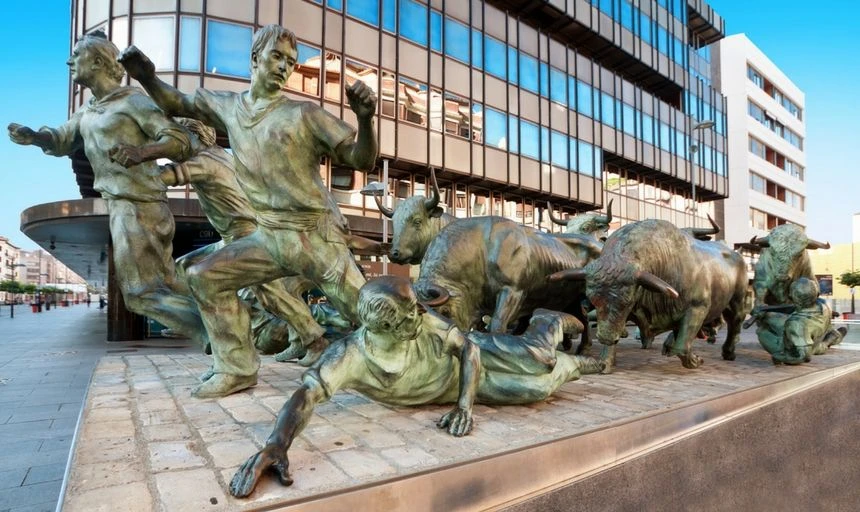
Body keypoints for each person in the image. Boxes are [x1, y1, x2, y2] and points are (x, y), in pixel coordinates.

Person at [119, 25, 378, 398]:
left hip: (315, 237)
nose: (284, 68)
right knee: (204, 276)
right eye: (277, 57)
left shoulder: (304, 114)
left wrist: (366, 120)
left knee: (374, 312)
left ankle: (437, 360)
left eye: (290, 63)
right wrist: (147, 77)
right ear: (255, 59)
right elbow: (176, 103)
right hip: (269, 236)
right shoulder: (228, 106)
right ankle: (236, 367)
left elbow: (361, 159)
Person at [228, 276, 604, 498]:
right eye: (412, 312)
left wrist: (464, 406)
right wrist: (277, 443)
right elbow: (307, 394)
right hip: (459, 381)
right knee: (534, 391)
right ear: (388, 327)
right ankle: (582, 366)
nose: (422, 313)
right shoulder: (350, 355)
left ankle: (547, 323)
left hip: (469, 365)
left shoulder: (424, 322)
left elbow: (469, 348)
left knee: (538, 359)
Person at [8, 31, 207, 346]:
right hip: (122, 206)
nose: (69, 60)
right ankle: (237, 324)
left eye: (77, 55)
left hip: (140, 205)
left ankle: (223, 337)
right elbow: (62, 139)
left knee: (141, 294)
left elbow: (179, 139)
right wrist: (36, 137)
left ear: (98, 61)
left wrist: (142, 152)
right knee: (167, 281)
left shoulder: (133, 101)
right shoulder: (88, 111)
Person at [752, 277, 846, 364]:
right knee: (771, 318)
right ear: (816, 294)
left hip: (807, 343)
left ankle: (827, 341)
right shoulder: (824, 304)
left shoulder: (795, 324)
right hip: (816, 334)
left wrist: (781, 357)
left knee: (762, 331)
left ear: (791, 296)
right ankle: (833, 337)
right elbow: (793, 308)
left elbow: (805, 356)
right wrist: (768, 309)